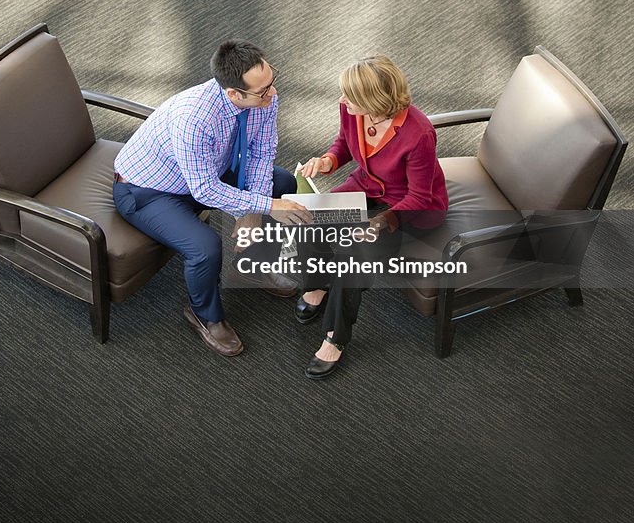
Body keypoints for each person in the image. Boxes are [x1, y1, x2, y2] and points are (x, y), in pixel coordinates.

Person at [113, 40, 311, 358]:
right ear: (234, 93)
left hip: (209, 172)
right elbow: (204, 191)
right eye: (263, 92)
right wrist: (265, 206)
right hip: (149, 191)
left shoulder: (262, 96)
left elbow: (261, 153)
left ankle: (252, 264)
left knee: (283, 181)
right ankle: (204, 314)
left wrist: (252, 211)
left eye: (272, 82)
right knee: (205, 247)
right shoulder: (194, 119)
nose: (272, 95)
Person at [299, 55, 448, 379]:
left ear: (374, 101)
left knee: (353, 255)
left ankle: (336, 337)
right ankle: (317, 284)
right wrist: (327, 162)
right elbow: (344, 146)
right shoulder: (351, 109)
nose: (342, 100)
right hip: (368, 186)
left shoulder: (418, 133)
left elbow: (420, 197)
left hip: (408, 210)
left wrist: (378, 224)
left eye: (349, 96)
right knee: (312, 218)